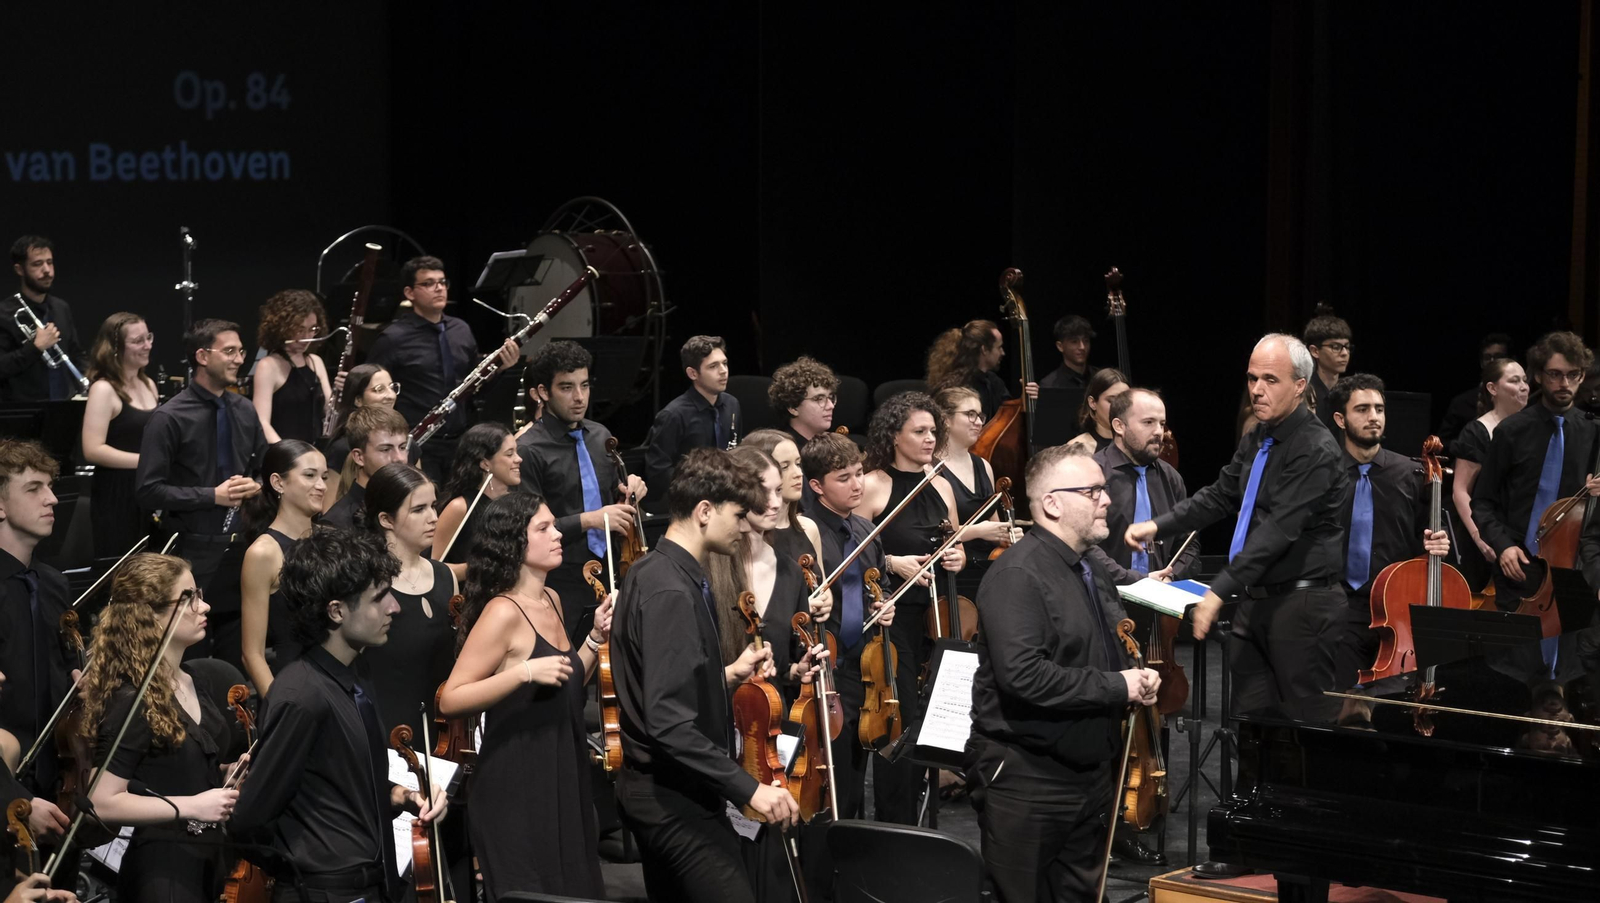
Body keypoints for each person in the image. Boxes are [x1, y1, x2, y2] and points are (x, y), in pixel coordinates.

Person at [969, 442, 1160, 903]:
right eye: (1092, 491)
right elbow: (1024, 676)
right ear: (1052, 504)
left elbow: (1096, 645)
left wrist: (1133, 675)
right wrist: (1117, 685)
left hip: (1087, 772)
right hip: (1029, 780)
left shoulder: (1089, 564)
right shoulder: (1018, 574)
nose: (1107, 499)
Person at [610, 448, 798, 903]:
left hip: (667, 790)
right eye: (738, 515)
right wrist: (750, 788)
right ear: (704, 511)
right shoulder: (671, 590)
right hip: (672, 799)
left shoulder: (654, 570)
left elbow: (661, 687)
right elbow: (669, 723)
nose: (746, 526)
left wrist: (727, 676)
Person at [1126, 333, 1348, 708]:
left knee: (1303, 728)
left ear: (1299, 387)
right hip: (1256, 599)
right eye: (1252, 378)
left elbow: (1280, 528)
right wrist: (1158, 525)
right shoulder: (1260, 436)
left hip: (1303, 605)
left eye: (1270, 380)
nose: (1256, 390)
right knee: (1249, 728)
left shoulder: (1315, 448)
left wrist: (1219, 590)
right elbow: (1220, 495)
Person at [232, 527, 446, 903]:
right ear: (336, 611)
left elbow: (341, 783)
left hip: (371, 884)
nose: (394, 607)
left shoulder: (357, 673)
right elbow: (249, 818)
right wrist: (313, 864)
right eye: (380, 598)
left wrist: (400, 796)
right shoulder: (301, 696)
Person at [439, 492, 614, 900]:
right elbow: (451, 698)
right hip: (516, 784)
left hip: (561, 773)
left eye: (554, 525)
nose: (558, 535)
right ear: (515, 543)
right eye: (544, 528)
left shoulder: (551, 600)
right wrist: (523, 672)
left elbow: (565, 683)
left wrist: (593, 639)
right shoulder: (503, 612)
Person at [80, 553, 244, 903]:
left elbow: (183, 767)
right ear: (150, 616)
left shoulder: (193, 680)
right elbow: (101, 801)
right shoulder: (131, 699)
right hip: (164, 872)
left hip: (209, 857)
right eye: (189, 598)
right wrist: (193, 806)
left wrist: (227, 772)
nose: (205, 606)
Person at [857, 392, 966, 824]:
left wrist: (957, 557)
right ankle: (894, 823)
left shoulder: (940, 483)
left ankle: (929, 818)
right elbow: (852, 552)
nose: (928, 439)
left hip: (935, 616)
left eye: (933, 431)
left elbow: (952, 542)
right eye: (919, 431)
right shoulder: (872, 485)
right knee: (897, 719)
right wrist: (889, 561)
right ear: (894, 435)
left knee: (934, 716)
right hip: (893, 620)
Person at [1325, 374, 1450, 686]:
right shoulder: (1322, 475)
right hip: (1339, 607)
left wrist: (1438, 543)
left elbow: (1431, 535)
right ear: (1341, 419)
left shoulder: (1411, 473)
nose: (1373, 417)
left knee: (1392, 704)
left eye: (1379, 409)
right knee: (1339, 705)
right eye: (1363, 409)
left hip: (1396, 608)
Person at [515, 340, 643, 641]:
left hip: (612, 567)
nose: (579, 397)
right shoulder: (528, 449)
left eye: (584, 386)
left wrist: (630, 492)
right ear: (543, 392)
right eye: (567, 387)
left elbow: (612, 498)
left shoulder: (600, 436)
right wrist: (591, 519)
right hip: (560, 577)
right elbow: (526, 528)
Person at [802, 432, 898, 823]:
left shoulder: (865, 531)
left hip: (864, 670)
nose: (857, 484)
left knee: (856, 783)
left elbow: (881, 585)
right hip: (827, 670)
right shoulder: (805, 533)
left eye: (859, 473)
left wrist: (885, 604)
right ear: (816, 486)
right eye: (844, 477)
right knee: (830, 783)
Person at [136, 318, 267, 593]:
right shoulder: (169, 417)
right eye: (229, 351)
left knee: (237, 630)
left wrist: (257, 484)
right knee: (193, 630)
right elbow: (148, 491)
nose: (239, 359)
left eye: (241, 351)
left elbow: (265, 469)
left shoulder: (245, 409)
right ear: (202, 356)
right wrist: (212, 496)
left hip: (243, 541)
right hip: (190, 547)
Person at [1473, 331, 1600, 607]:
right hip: (1518, 561)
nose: (1564, 383)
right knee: (1519, 649)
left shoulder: (1594, 432)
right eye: (1555, 374)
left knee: (1569, 649)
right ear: (1539, 376)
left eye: (1573, 374)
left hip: (1573, 564)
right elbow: (1482, 502)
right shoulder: (1512, 431)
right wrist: (1503, 545)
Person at [366, 255, 518, 482]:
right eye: (428, 283)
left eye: (442, 282)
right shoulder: (392, 338)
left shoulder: (461, 330)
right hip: (418, 443)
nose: (438, 288)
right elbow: (374, 392)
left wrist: (500, 369)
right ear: (409, 293)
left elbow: (476, 389)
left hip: (461, 441)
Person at [0, 440, 72, 845]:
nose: (53, 498)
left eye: (50, 486)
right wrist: (16, 797)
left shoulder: (54, 583)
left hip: (56, 778)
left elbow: (64, 673)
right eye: (34, 488)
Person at [359, 462, 456, 740]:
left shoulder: (445, 575)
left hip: (442, 732)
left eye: (433, 506)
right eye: (418, 510)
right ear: (386, 520)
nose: (433, 517)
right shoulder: (367, 581)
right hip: (385, 730)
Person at [237, 440, 326, 693]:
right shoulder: (263, 553)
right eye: (310, 475)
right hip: (295, 682)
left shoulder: (330, 538)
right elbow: (252, 654)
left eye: (324, 476)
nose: (321, 485)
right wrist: (282, 709)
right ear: (278, 482)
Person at [1089, 388, 1199, 587]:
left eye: (1162, 423)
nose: (1159, 432)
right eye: (1148, 422)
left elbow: (1188, 544)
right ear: (1119, 426)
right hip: (1105, 597)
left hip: (1161, 599)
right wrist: (1137, 582)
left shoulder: (1171, 478)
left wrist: (1170, 577)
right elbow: (1083, 545)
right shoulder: (1091, 474)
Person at [82, 312, 159, 557]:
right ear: (115, 348)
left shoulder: (149, 384)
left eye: (148, 337)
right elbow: (93, 449)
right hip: (116, 494)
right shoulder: (103, 389)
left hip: (146, 488)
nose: (147, 345)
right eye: (138, 341)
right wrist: (146, 461)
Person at [932, 387, 1018, 597]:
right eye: (970, 414)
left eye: (980, 415)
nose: (979, 422)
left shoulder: (984, 466)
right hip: (951, 570)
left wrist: (1006, 534)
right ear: (945, 419)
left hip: (988, 566)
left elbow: (993, 522)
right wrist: (979, 531)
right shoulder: (929, 469)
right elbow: (931, 533)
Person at [1450, 358, 1528, 581]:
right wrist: (1479, 537)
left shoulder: (1534, 428)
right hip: (1485, 534)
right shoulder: (1477, 432)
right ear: (1492, 389)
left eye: (1525, 380)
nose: (1523, 386)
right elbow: (1461, 491)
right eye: (1514, 381)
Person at [645, 335, 742, 498]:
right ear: (693, 373)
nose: (723, 371)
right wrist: (697, 488)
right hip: (690, 499)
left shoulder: (732, 404)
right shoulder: (673, 415)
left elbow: (736, 451)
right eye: (713, 366)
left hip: (727, 493)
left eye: (724, 363)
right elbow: (657, 471)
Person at [0, 236, 85, 402]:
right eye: (37, 264)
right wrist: (36, 347)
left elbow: (76, 353)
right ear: (19, 269)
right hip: (24, 411)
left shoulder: (61, 308)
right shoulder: (4, 313)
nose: (47, 270)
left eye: (50, 262)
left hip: (64, 405)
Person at [251, 290, 334, 445]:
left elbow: (329, 412)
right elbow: (262, 422)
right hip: (285, 457)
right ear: (283, 327)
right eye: (300, 329)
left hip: (316, 453)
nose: (306, 337)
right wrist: (291, 455)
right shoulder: (268, 366)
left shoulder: (316, 361)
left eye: (312, 329)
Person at [435, 422, 522, 568]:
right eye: (509, 453)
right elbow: (434, 568)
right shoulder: (460, 507)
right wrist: (480, 568)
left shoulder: (517, 502)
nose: (519, 459)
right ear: (485, 464)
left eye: (516, 451)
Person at [926, 320, 1036, 421]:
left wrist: (1024, 400)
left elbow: (1008, 419)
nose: (1002, 353)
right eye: (999, 347)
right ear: (984, 349)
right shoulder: (955, 387)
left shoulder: (995, 382)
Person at [322, 405, 411, 529]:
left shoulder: (409, 505)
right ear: (359, 457)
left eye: (402, 447)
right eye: (385, 449)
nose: (399, 458)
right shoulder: (336, 524)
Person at [321, 362, 401, 479]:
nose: (391, 395)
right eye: (379, 389)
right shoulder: (343, 448)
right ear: (358, 400)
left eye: (392, 387)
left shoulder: (405, 442)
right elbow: (333, 496)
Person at [1437, 332, 1514, 449]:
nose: (1492, 362)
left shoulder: (1520, 401)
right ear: (1481, 363)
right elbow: (1443, 443)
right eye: (1487, 358)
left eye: (1498, 357)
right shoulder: (1461, 403)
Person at [768, 356, 839, 450]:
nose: (830, 406)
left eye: (830, 397)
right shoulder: (783, 453)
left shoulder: (832, 446)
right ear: (793, 407)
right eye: (818, 399)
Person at [1303, 304, 1352, 436]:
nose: (1344, 353)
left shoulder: (1348, 391)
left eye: (1347, 347)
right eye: (1336, 347)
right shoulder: (1305, 392)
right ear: (1315, 351)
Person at [1067, 368, 1129, 454]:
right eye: (1111, 401)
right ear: (1093, 403)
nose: (1119, 406)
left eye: (1125, 401)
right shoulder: (1078, 449)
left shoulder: (1139, 443)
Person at [1037, 314, 1097, 390]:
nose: (1082, 347)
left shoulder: (1102, 379)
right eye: (1074, 342)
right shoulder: (1049, 385)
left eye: (1086, 341)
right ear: (1060, 346)